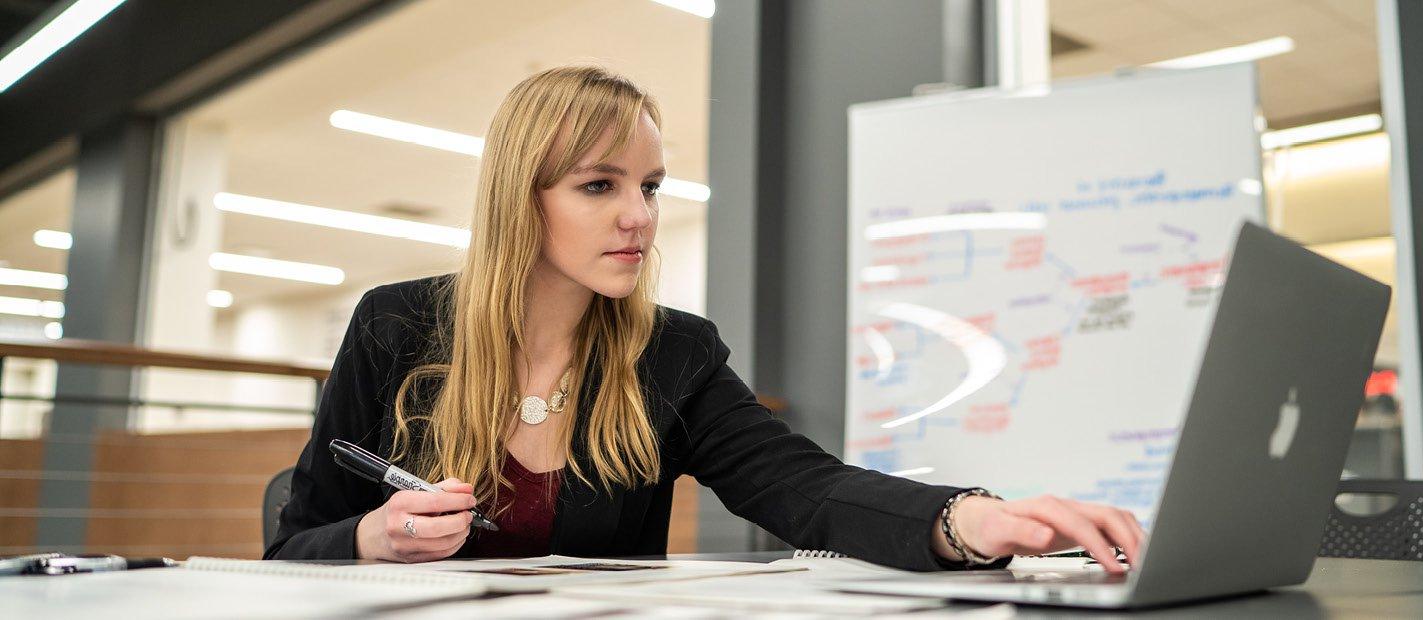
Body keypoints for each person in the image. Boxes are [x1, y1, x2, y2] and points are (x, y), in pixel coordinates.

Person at [265, 66, 1144, 572]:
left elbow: (806, 490)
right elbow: (291, 547)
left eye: (649, 186)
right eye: (599, 186)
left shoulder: (671, 353)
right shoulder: (396, 326)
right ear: (518, 201)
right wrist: (371, 537)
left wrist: (970, 519)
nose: (639, 216)